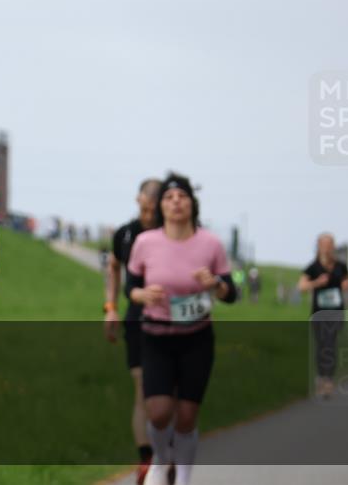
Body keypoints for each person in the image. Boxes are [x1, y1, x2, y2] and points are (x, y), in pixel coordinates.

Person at [127, 173, 237, 485]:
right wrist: (141, 295)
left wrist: (214, 284)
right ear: (160, 206)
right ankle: (162, 459)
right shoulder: (145, 243)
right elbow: (130, 288)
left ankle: (184, 476)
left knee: (187, 417)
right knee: (159, 413)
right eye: (168, 198)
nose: (176, 202)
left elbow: (231, 293)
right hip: (156, 337)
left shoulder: (210, 243)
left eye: (182, 197)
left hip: (197, 339)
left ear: (192, 203)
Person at [104, 177, 162, 484]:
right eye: (145, 207)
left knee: (165, 393)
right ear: (138, 201)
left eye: (154, 209)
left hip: (170, 319)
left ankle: (165, 450)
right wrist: (110, 307)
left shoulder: (172, 231)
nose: (149, 214)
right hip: (137, 317)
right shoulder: (126, 234)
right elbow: (113, 266)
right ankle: (146, 460)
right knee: (142, 388)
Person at [298, 234, 348, 398]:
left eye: (329, 245)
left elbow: (347, 282)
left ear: (333, 247)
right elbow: (301, 286)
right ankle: (321, 377)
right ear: (319, 246)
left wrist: (344, 284)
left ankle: (327, 379)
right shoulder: (313, 267)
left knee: (330, 342)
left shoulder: (340, 266)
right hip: (319, 312)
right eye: (324, 245)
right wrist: (317, 283)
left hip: (336, 312)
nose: (327, 248)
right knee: (322, 344)